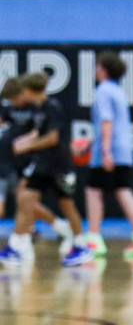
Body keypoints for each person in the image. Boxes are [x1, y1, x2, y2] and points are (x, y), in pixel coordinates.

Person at [0, 72, 92, 266]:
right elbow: (37, 133)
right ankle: (17, 246)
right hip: (42, 164)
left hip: (59, 164)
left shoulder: (52, 108)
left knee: (67, 204)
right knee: (25, 198)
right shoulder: (39, 109)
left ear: (30, 91)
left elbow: (52, 138)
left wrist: (26, 146)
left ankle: (80, 244)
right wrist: (25, 141)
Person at [82, 50, 133, 258]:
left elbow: (107, 121)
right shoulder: (117, 91)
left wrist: (104, 151)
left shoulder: (103, 91)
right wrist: (91, 142)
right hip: (123, 149)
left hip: (109, 150)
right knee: (123, 189)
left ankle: (94, 238)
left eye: (97, 66)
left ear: (102, 70)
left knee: (93, 191)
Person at [0, 77, 72, 246]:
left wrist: (25, 145)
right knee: (22, 200)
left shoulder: (39, 108)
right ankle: (23, 237)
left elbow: (42, 134)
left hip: (27, 160)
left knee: (26, 199)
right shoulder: (7, 107)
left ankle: (56, 227)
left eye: (15, 99)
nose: (15, 103)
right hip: (6, 161)